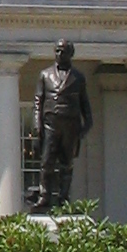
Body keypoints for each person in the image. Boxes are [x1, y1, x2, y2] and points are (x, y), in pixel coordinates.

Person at [27, 40, 92, 212]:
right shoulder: (45, 75)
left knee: (66, 163)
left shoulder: (78, 78)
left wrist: (84, 130)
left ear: (70, 54)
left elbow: (85, 106)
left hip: (70, 125)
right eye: (57, 51)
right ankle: (44, 196)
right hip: (51, 124)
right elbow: (38, 102)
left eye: (63, 51)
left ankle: (64, 198)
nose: (59, 55)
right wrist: (36, 126)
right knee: (47, 162)